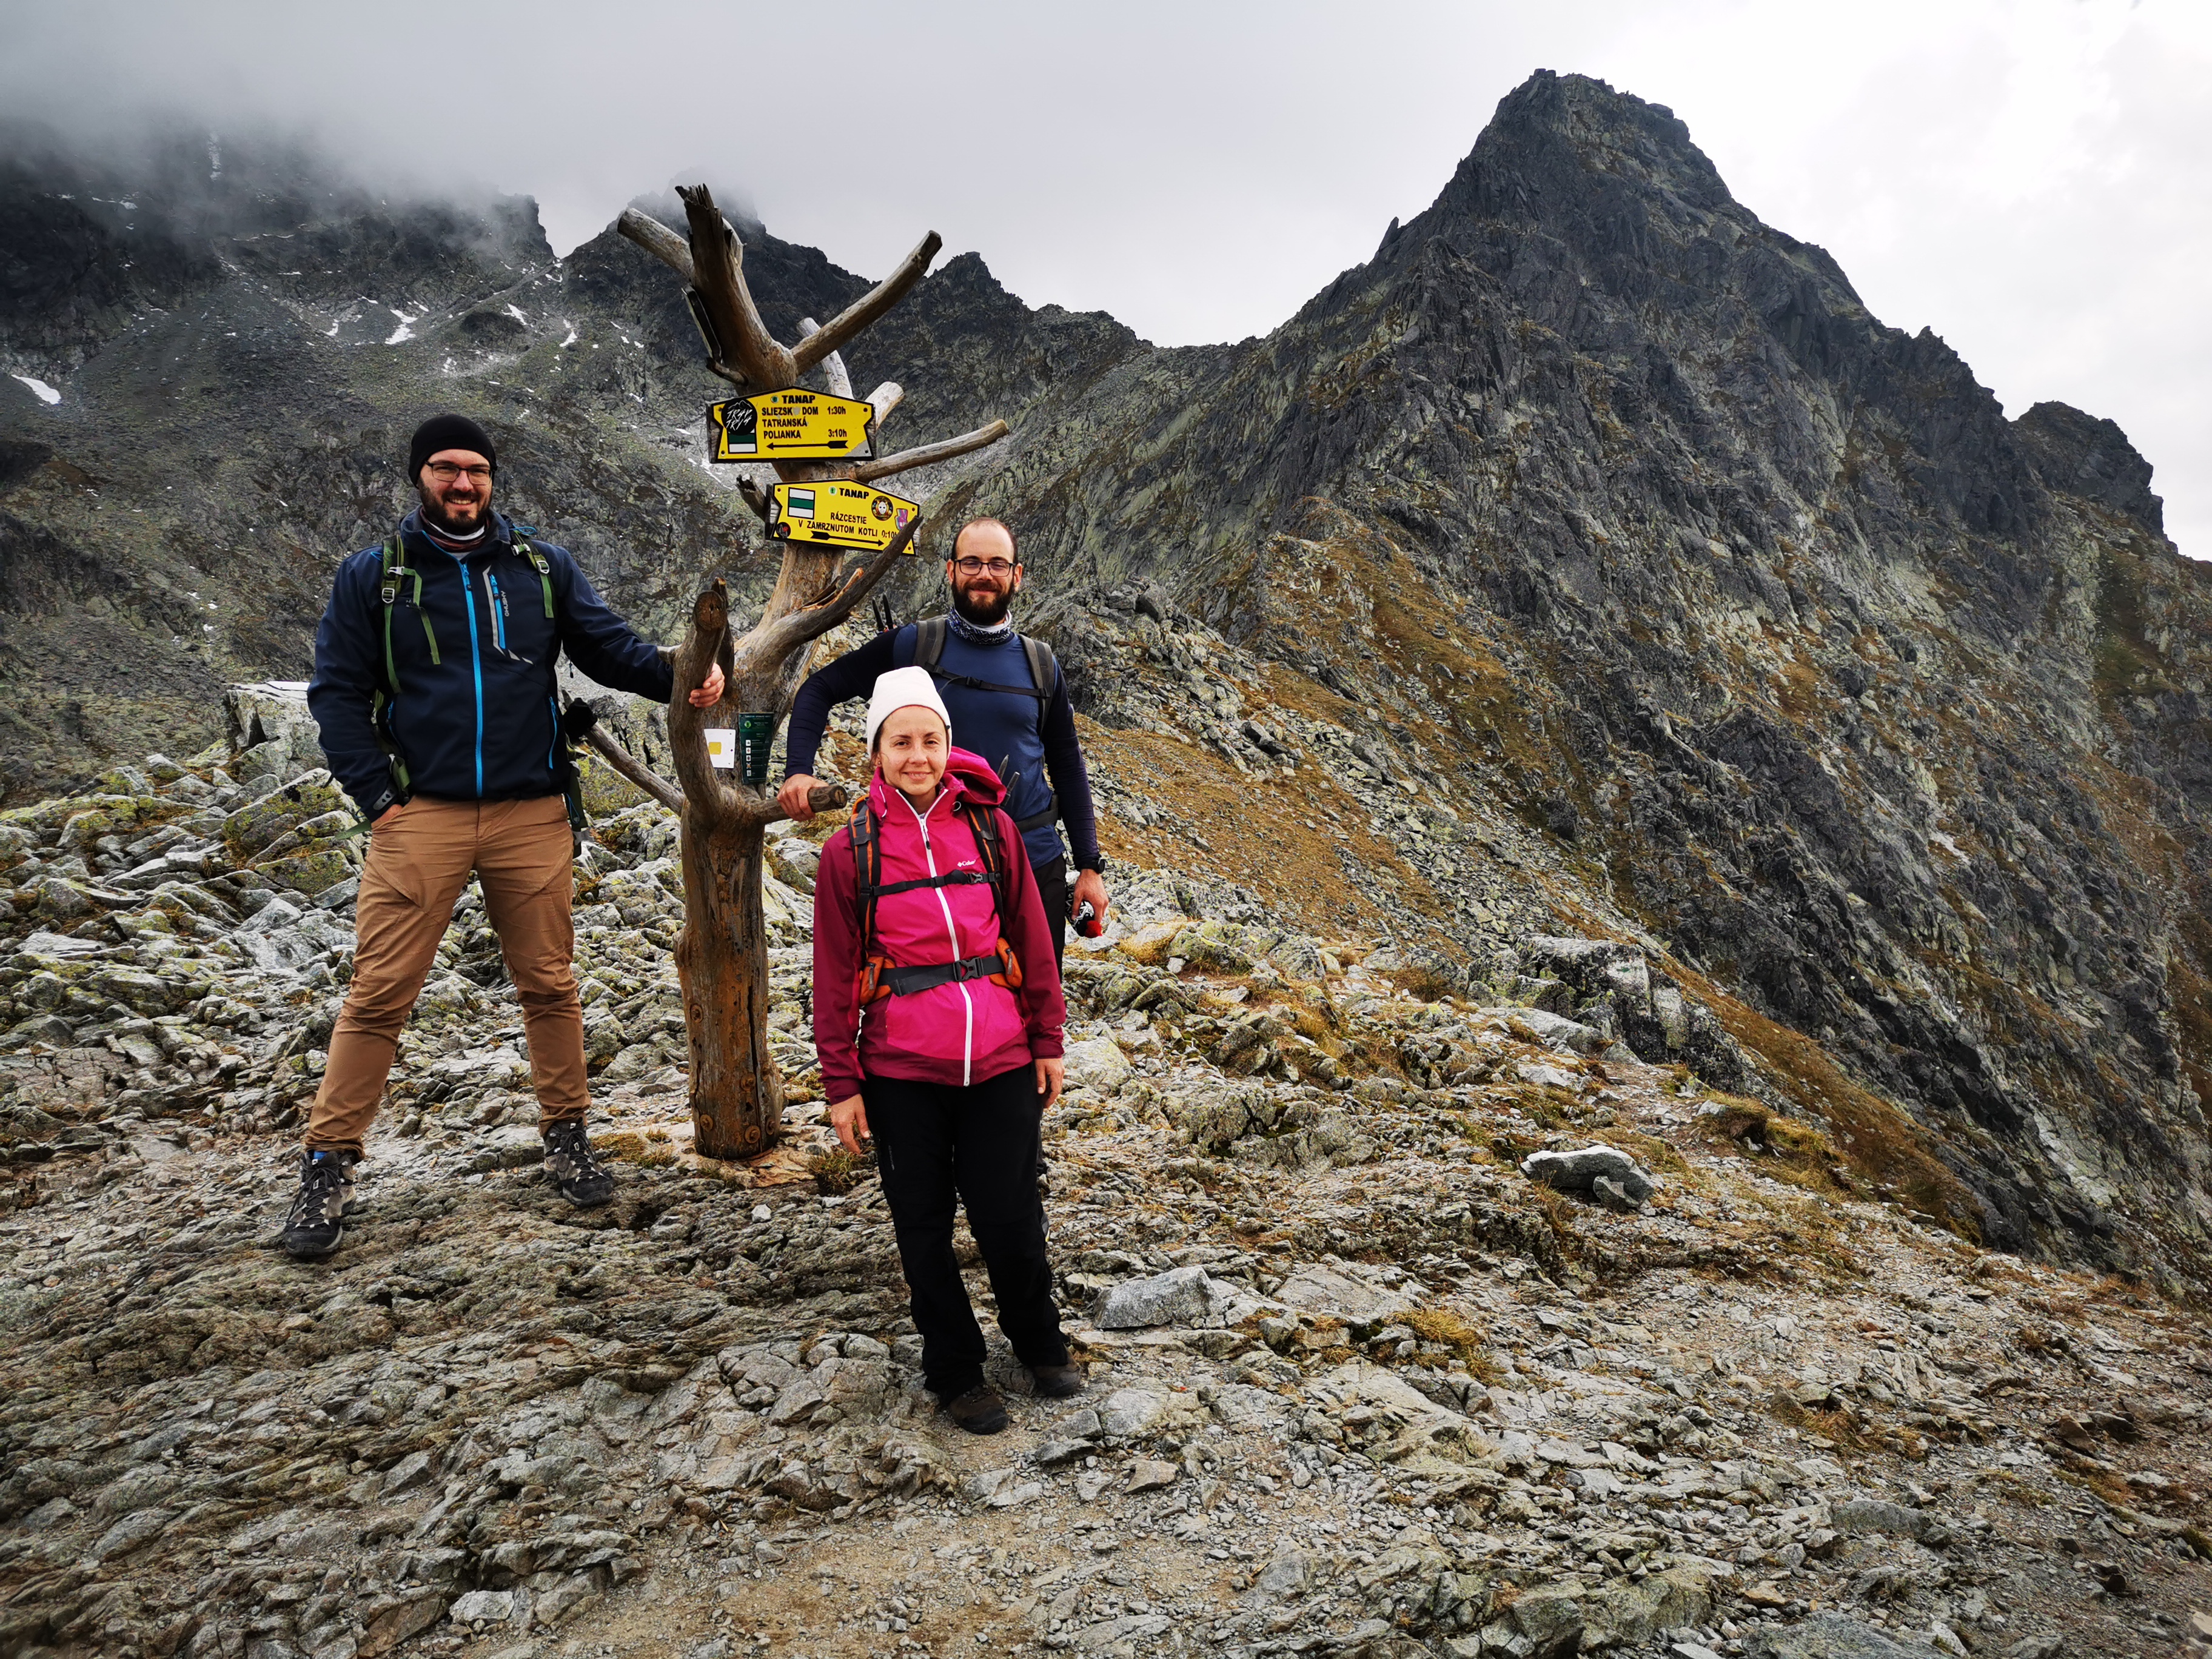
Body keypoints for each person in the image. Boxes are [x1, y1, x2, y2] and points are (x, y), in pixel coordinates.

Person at [283, 413, 725, 1259]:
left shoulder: (540, 569)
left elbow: (607, 649)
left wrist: (684, 674)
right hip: (423, 817)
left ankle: (567, 1136)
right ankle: (328, 1164)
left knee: (550, 985)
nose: (462, 484)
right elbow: (336, 693)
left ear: (493, 481)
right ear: (419, 478)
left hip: (531, 812)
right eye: (446, 469)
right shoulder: (373, 578)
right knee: (379, 995)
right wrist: (379, 797)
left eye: (475, 470)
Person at [813, 666, 1081, 1433]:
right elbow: (832, 979)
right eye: (901, 741)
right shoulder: (849, 853)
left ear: (946, 743)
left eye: (930, 739)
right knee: (922, 1227)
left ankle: (1039, 1343)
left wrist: (1047, 1038)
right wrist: (842, 1084)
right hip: (899, 1072)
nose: (918, 755)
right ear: (877, 752)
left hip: (999, 1057)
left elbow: (1032, 934)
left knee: (1011, 1216)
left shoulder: (991, 830)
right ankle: (956, 1370)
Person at [777, 517, 1109, 970]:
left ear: (1017, 574)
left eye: (997, 564)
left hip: (1033, 861)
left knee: (1036, 1000)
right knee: (945, 1000)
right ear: (950, 571)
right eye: (971, 562)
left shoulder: (1041, 664)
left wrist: (1089, 866)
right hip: (932, 860)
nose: (984, 574)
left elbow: (1068, 766)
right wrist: (799, 769)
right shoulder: (915, 645)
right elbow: (819, 689)